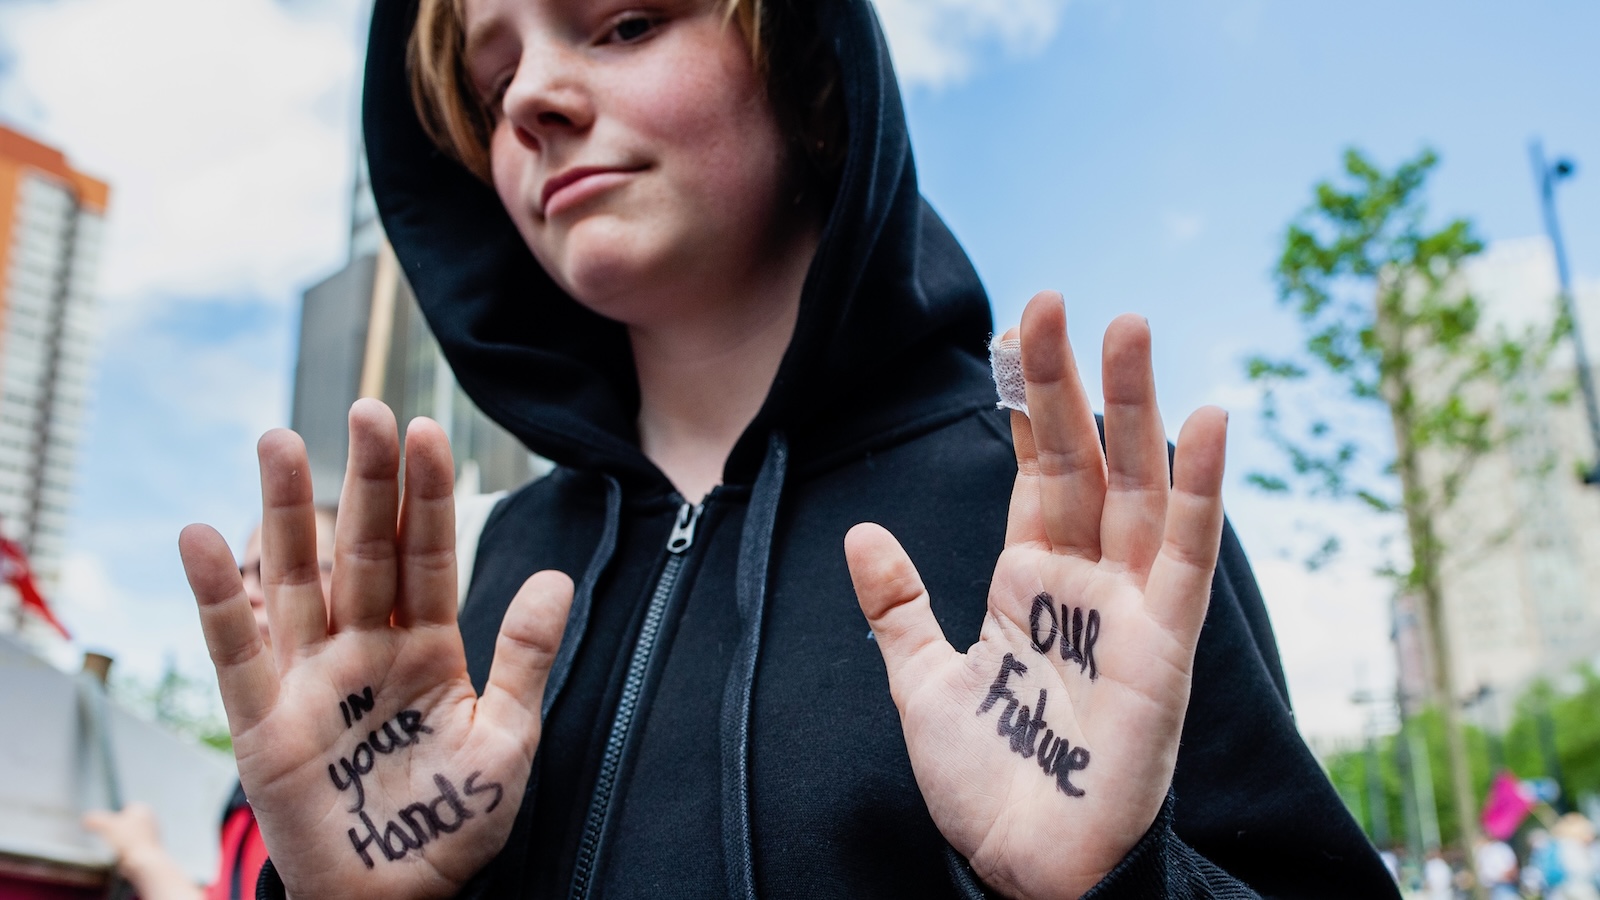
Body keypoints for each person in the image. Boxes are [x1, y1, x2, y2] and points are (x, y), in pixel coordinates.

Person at [177, 0, 1398, 896]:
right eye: (493, 85)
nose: (532, 102)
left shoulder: (1069, 518)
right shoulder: (478, 582)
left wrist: (1117, 887)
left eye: (622, 23)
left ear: (807, 64)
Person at [88, 510, 336, 900]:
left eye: (277, 571)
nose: (249, 593)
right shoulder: (251, 788)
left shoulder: (377, 776)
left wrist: (145, 858)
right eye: (243, 574)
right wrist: (143, 855)